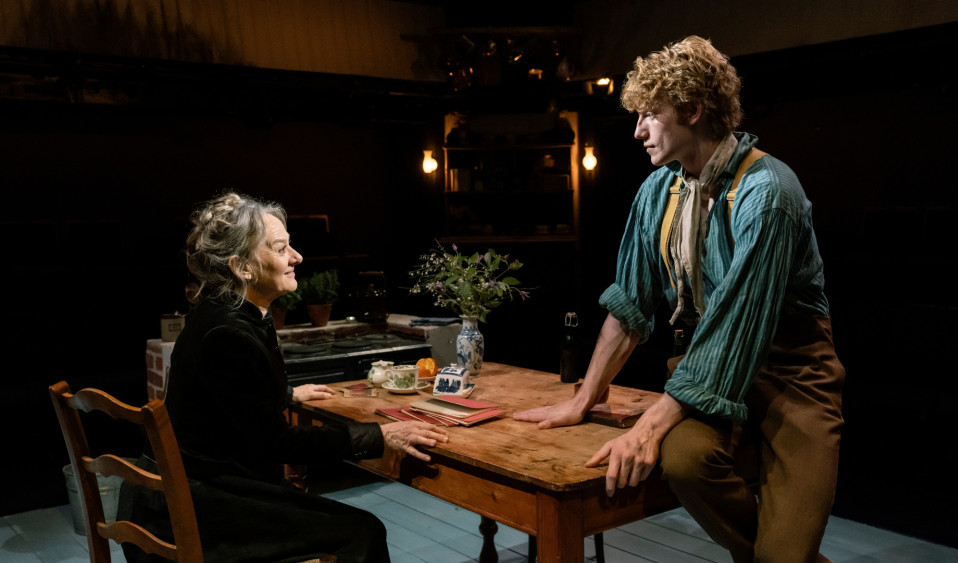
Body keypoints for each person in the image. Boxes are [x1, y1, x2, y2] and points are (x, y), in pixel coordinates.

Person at [514, 36, 844, 563]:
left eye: (650, 114)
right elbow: (629, 307)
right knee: (686, 460)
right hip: (706, 370)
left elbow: (738, 323)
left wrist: (649, 424)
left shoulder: (769, 192)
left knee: (785, 554)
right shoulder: (659, 190)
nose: (639, 130)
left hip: (790, 379)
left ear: (692, 110)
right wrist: (586, 397)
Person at [119, 192, 448, 563]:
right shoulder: (228, 334)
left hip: (194, 491)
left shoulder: (224, 313)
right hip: (194, 509)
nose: (297, 258)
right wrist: (379, 436)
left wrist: (287, 394)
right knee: (362, 531)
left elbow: (229, 400)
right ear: (242, 267)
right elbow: (278, 443)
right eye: (280, 249)